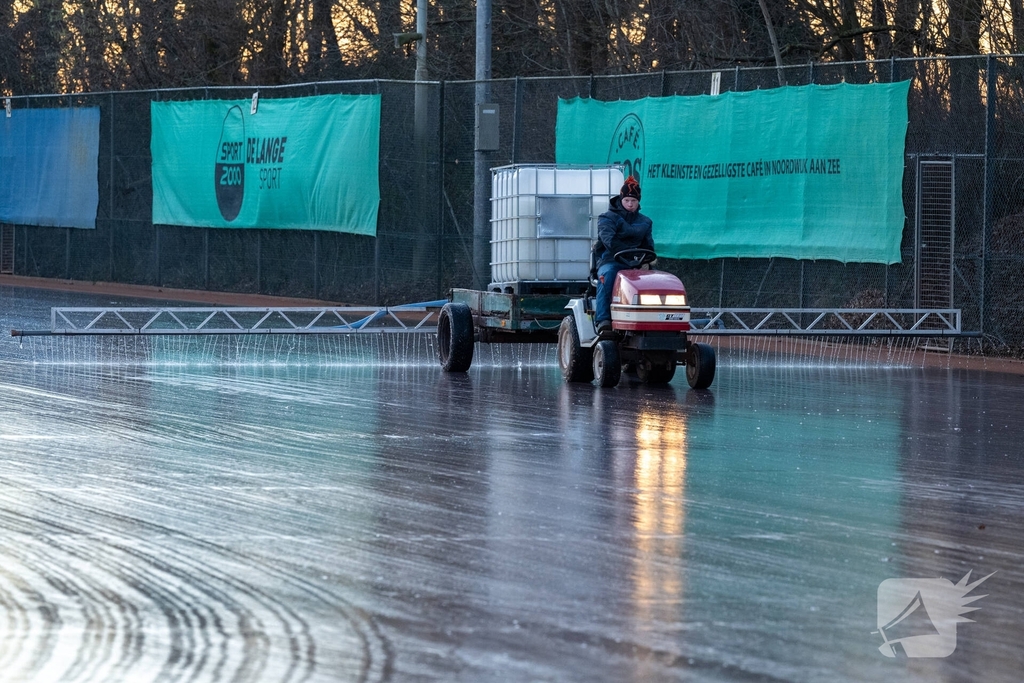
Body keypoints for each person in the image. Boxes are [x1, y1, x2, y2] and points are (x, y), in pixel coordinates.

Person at [593, 176, 654, 334]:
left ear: (638, 202)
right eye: (627, 200)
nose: (630, 204)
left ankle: (651, 320)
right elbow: (610, 242)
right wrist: (629, 257)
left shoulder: (645, 222)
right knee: (608, 275)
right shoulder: (607, 218)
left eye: (633, 201)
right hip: (611, 260)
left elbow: (648, 245)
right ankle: (603, 319)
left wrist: (646, 259)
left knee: (654, 280)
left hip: (636, 263)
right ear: (621, 200)